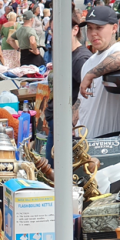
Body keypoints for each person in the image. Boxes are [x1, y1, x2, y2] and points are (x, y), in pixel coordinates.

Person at [75, 5, 120, 138]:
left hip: (110, 141)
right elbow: (82, 102)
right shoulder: (88, 63)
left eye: (99, 28)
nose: (93, 34)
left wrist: (91, 74)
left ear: (114, 28)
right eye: (90, 28)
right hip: (84, 142)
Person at [45, 9, 92, 165]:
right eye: (53, 31)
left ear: (75, 29)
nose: (55, 35)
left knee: (56, 174)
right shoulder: (66, 52)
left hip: (64, 126)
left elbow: (89, 93)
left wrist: (71, 120)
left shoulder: (81, 58)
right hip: (57, 121)